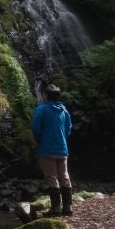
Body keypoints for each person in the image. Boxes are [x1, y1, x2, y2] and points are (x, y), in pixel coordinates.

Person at [31, 84, 73, 216]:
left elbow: (35, 127)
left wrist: (41, 139)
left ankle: (55, 209)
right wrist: (62, 139)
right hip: (62, 147)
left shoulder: (41, 109)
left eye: (44, 94)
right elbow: (68, 128)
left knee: (51, 177)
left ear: (46, 95)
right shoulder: (64, 110)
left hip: (47, 148)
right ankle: (68, 207)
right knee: (64, 176)